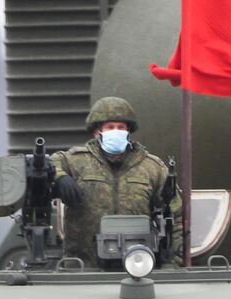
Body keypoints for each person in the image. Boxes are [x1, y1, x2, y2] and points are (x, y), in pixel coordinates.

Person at [50, 96, 184, 265]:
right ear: (97, 132)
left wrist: (174, 263)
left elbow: (176, 216)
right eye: (110, 127)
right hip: (84, 266)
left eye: (121, 127)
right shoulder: (76, 161)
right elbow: (48, 164)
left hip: (137, 265)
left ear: (129, 131)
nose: (116, 131)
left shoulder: (152, 167)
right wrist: (60, 177)